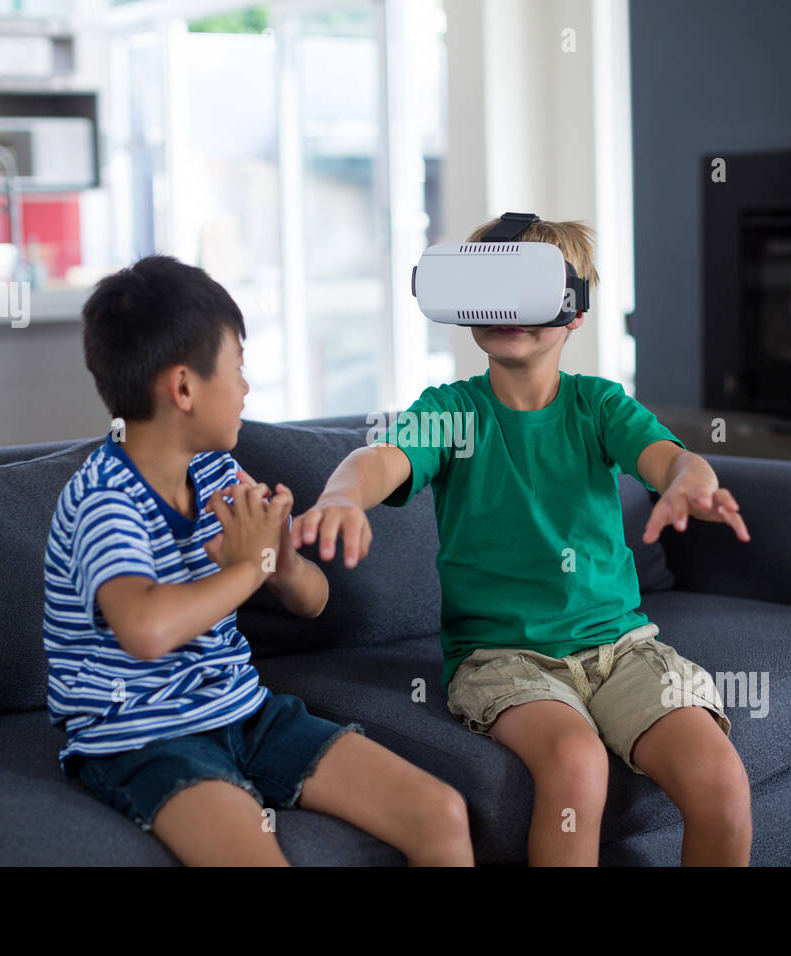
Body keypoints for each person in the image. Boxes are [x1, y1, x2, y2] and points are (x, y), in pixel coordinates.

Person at [296, 219, 753, 866]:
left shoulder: (599, 407)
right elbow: (380, 459)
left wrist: (689, 483)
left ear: (573, 312)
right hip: (504, 659)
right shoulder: (454, 412)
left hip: (622, 649)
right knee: (576, 763)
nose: (508, 308)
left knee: (722, 783)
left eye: (528, 289)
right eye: (491, 287)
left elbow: (670, 460)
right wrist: (343, 495)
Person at [44, 254, 473, 866]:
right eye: (238, 369)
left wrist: (280, 563)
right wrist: (245, 570)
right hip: (143, 738)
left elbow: (314, 598)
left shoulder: (218, 474)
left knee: (441, 814)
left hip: (245, 711)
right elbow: (143, 629)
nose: (246, 388)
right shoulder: (104, 498)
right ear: (184, 387)